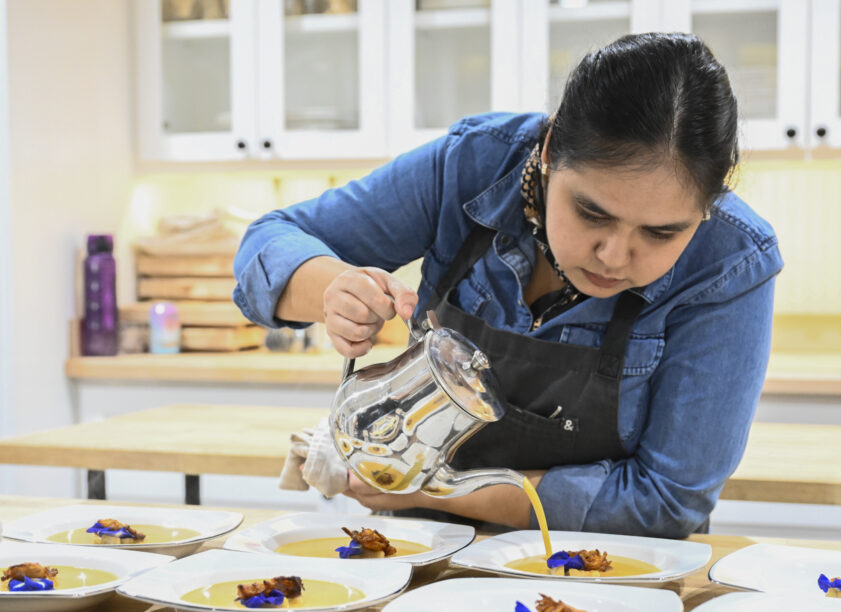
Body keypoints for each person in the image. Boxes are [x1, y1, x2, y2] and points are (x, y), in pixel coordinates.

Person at [234, 32, 783, 538]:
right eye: (591, 213)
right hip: (422, 547)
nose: (615, 256)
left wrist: (433, 489)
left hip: (610, 568)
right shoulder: (472, 164)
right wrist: (331, 288)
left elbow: (664, 502)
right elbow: (268, 243)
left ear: (708, 206)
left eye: (661, 232)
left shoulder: (731, 261)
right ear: (547, 154)